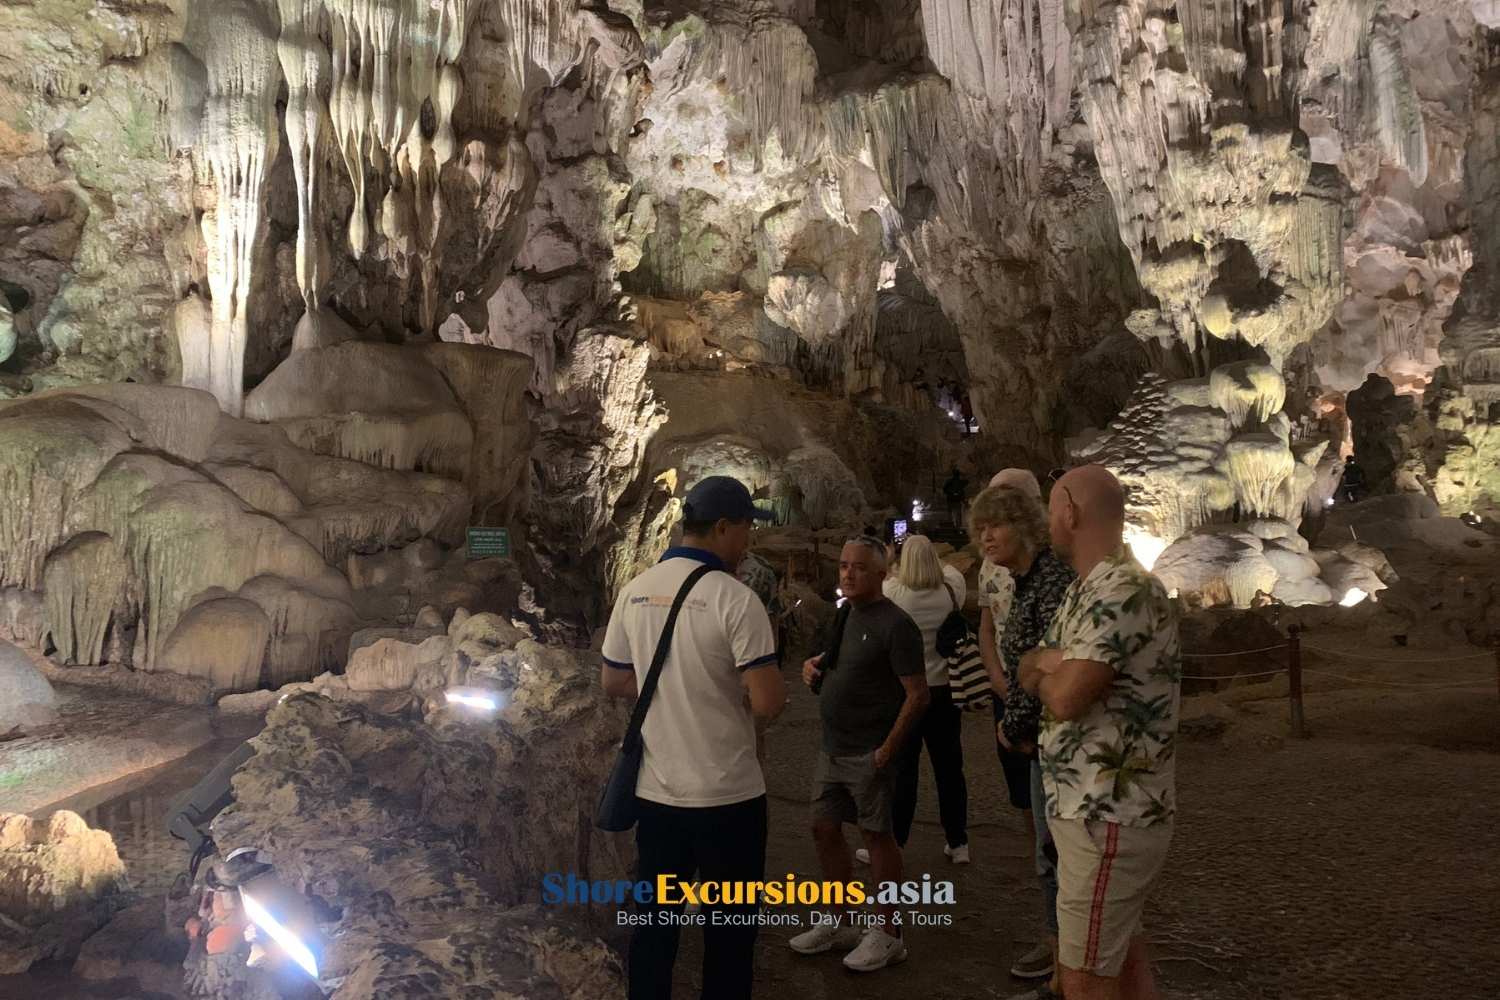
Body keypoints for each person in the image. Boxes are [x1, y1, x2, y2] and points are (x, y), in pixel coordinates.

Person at [600, 476, 789, 1000]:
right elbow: (769, 701)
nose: (748, 541)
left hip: (659, 795)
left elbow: (614, 680)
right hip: (729, 797)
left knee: (656, 928)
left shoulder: (634, 591)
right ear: (723, 527)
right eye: (746, 528)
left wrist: (673, 687)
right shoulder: (735, 598)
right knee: (729, 936)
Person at [1019, 465, 1181, 1000]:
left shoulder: (1122, 589)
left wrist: (1052, 666)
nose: (1048, 520)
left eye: (1050, 507)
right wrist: (1052, 664)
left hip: (1108, 813)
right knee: (1121, 959)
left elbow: (1065, 696)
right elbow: (1028, 665)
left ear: (1069, 509)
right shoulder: (1084, 591)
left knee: (1084, 979)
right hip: (1089, 811)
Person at [790, 535, 928, 972]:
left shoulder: (896, 624)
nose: (848, 573)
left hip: (870, 752)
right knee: (823, 827)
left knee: (876, 836)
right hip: (834, 746)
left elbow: (918, 694)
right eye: (844, 566)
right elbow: (836, 659)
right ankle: (842, 920)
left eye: (860, 567)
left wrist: (887, 750)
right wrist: (813, 666)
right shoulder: (846, 613)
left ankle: (889, 933)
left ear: (883, 574)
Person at [972, 485, 1077, 996]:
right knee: (1048, 852)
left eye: (997, 525)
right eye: (981, 528)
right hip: (1037, 737)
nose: (987, 536)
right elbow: (1023, 664)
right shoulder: (1024, 579)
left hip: (1055, 742)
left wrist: (1015, 722)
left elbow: (1047, 664)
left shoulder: (1050, 581)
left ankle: (1068, 976)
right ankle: (1062, 971)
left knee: (1057, 854)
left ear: (1026, 525)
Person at [870, 534, 970, 863]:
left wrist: (888, 558)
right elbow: (952, 571)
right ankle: (958, 842)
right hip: (945, 691)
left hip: (909, 693)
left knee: (904, 770)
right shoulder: (951, 590)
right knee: (949, 768)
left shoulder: (895, 594)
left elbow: (883, 581)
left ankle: (896, 841)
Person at [973, 471, 1045, 891]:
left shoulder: (1052, 565)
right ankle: (1037, 852)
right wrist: (998, 680)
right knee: (1019, 781)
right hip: (1006, 689)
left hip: (1043, 694)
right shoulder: (990, 566)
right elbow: (987, 627)